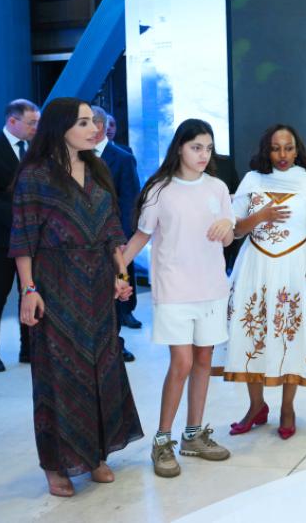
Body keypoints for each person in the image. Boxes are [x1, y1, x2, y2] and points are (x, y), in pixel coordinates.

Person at [9, 98, 141, 497]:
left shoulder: (97, 169)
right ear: (61, 126)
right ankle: (57, 465)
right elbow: (23, 237)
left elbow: (112, 228)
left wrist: (120, 274)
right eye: (83, 122)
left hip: (98, 284)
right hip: (56, 282)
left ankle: (95, 454)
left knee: (102, 368)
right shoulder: (35, 175)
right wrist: (29, 289)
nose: (93, 128)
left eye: (93, 122)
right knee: (60, 374)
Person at [216, 124, 306, 440]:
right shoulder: (253, 180)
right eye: (276, 148)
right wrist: (260, 217)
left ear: (297, 150)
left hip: (295, 271)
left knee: (291, 337)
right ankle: (256, 407)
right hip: (254, 268)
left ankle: (287, 408)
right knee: (251, 334)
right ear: (266, 150)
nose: (282, 155)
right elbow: (235, 231)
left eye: (288, 148)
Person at [122, 119, 234, 478]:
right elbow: (141, 236)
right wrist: (116, 270)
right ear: (180, 148)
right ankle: (162, 440)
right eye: (196, 147)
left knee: (204, 360)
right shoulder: (160, 190)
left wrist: (228, 228)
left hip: (211, 288)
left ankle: (193, 435)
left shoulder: (217, 187)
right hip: (173, 289)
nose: (203, 155)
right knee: (181, 363)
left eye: (208, 148)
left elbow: (227, 237)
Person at [92, 106, 142, 352]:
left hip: (113, 239)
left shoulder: (122, 158)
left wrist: (123, 240)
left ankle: (115, 344)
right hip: (83, 240)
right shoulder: (74, 156)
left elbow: (130, 201)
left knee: (116, 290)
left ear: (98, 126)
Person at [0, 99, 39, 371]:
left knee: (30, 291)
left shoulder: (36, 151)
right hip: (0, 239)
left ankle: (29, 348)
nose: (36, 128)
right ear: (12, 121)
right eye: (32, 123)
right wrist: (18, 218)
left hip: (33, 240)